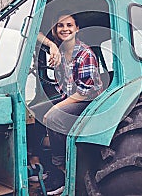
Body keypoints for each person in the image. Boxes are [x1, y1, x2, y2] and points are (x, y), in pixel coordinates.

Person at [29, 12, 103, 194]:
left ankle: (63, 171)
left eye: (69, 25)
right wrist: (51, 45)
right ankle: (39, 166)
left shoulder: (85, 54)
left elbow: (85, 93)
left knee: (55, 117)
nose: (65, 29)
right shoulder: (60, 51)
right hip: (70, 97)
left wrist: (56, 108)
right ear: (55, 30)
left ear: (77, 29)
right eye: (60, 26)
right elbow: (32, 33)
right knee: (33, 113)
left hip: (91, 101)